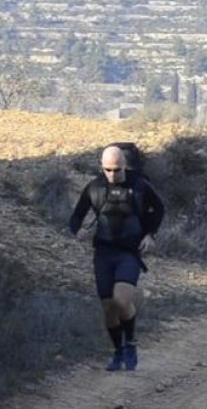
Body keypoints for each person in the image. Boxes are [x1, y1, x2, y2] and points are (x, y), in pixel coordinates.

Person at [68, 144, 165, 371]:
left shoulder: (140, 186)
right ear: (102, 167)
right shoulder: (94, 188)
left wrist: (150, 234)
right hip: (103, 254)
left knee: (122, 300)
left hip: (128, 253)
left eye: (117, 170)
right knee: (109, 308)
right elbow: (76, 216)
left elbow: (158, 209)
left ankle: (130, 342)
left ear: (125, 166)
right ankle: (117, 350)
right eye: (108, 170)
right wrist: (78, 231)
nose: (113, 175)